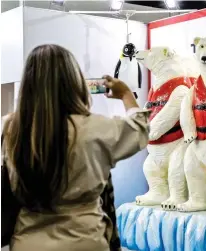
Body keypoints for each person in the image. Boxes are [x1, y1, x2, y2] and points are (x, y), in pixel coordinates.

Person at [1, 44, 150, 251]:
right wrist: (125, 94)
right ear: (74, 83)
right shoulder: (96, 127)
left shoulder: (9, 127)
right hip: (86, 239)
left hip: (27, 241)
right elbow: (141, 129)